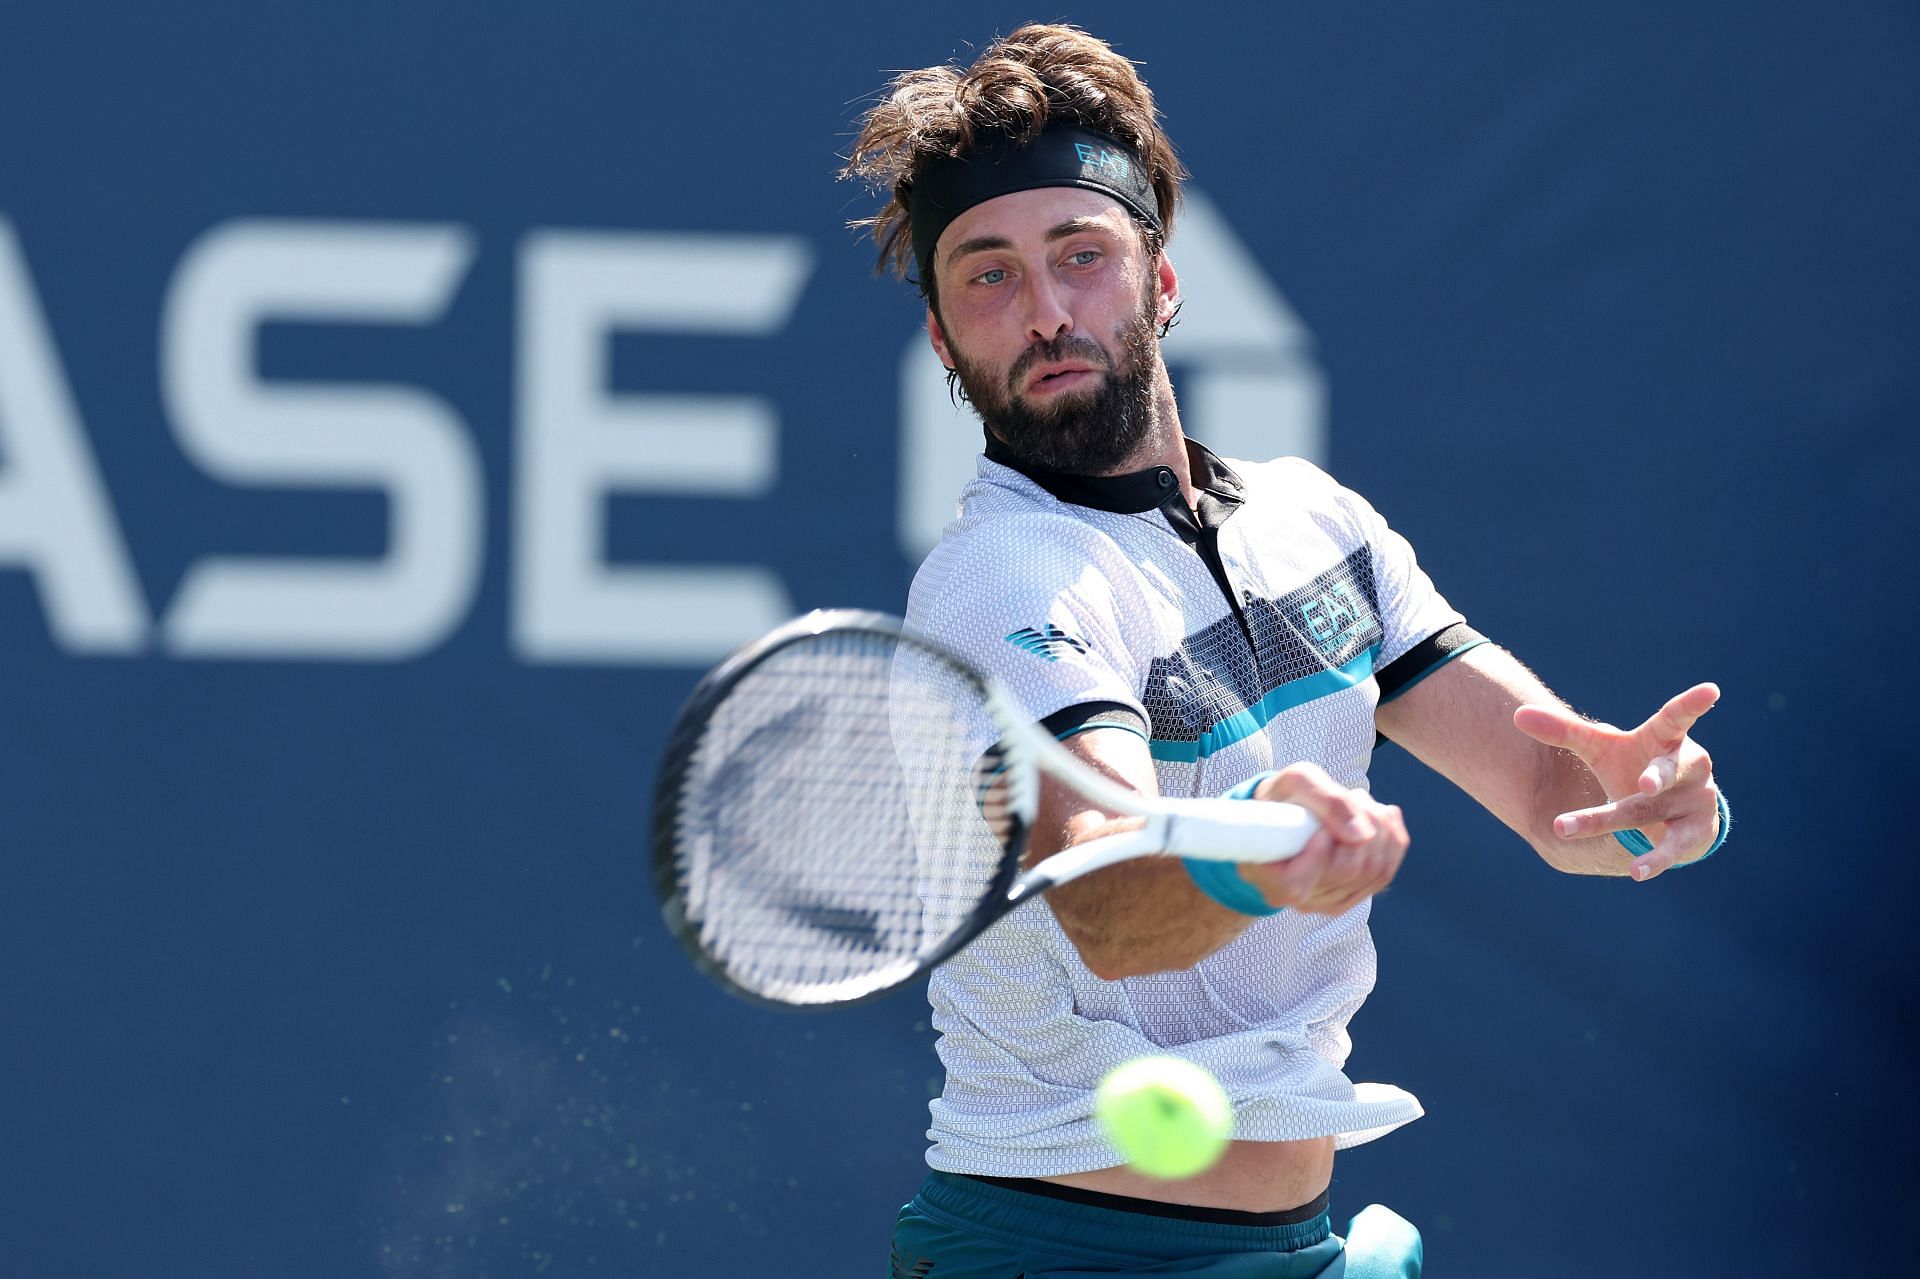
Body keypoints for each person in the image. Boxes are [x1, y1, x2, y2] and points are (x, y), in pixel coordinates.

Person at [842, 23, 1728, 1278]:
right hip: (1061, 1255)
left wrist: (1659, 806)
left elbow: (1557, 798)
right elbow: (1104, 902)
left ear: (1159, 281)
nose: (1043, 311)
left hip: (1297, 1246)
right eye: (986, 275)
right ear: (941, 339)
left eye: (1080, 255)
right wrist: (1268, 855)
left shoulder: (1321, 525)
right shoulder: (1006, 581)